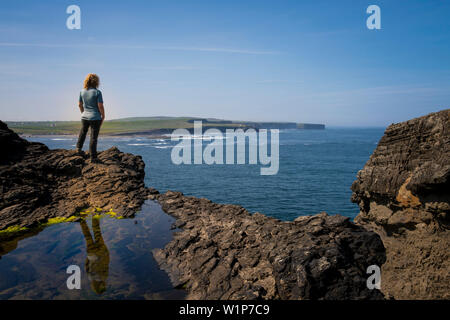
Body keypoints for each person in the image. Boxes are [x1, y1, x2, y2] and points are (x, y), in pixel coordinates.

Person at [76, 73, 105, 162]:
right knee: (93, 137)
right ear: (96, 81)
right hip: (95, 117)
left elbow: (79, 104)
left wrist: (83, 113)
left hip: (84, 116)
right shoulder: (97, 92)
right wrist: (103, 115)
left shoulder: (82, 91)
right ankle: (93, 157)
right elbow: (100, 106)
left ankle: (78, 149)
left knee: (83, 132)